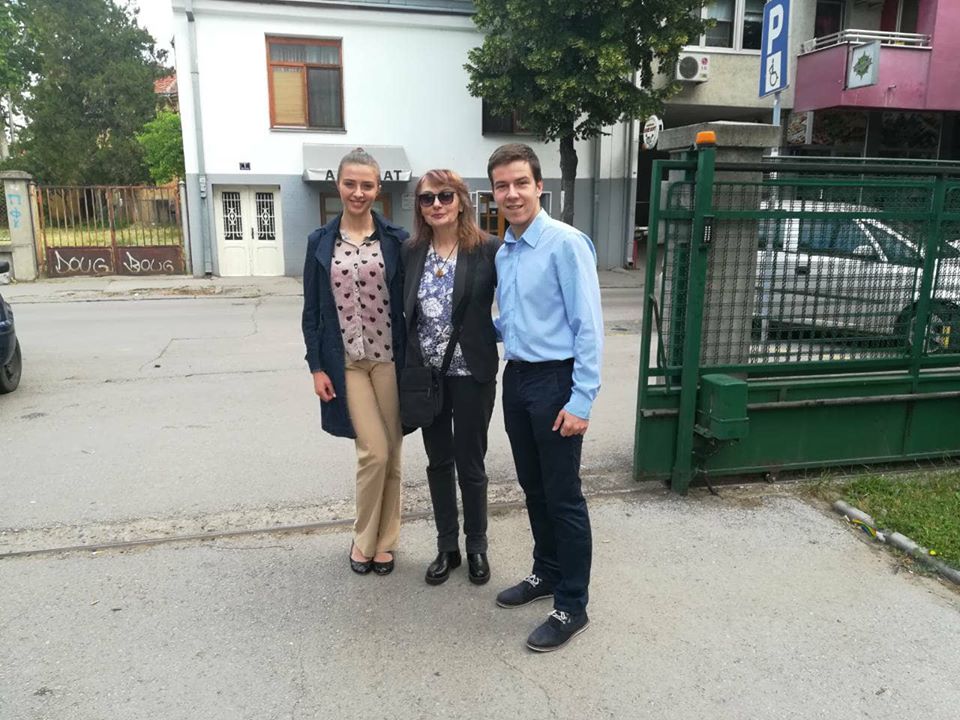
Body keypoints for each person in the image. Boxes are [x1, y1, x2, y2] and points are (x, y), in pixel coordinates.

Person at [487, 143, 603, 652]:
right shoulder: (505, 251)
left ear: (539, 186)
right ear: (493, 193)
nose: (512, 194)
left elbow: (588, 326)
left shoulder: (565, 243)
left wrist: (581, 400)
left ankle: (572, 605)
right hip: (517, 380)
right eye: (502, 186)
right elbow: (516, 319)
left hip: (556, 382)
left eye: (520, 183)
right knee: (533, 488)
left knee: (563, 496)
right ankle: (547, 572)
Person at [301, 148, 408, 576]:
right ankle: (363, 538)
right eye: (350, 184)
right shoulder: (320, 242)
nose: (358, 192)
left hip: (390, 361)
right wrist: (316, 367)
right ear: (338, 185)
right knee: (373, 452)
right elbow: (312, 311)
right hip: (346, 363)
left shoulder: (396, 240)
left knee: (393, 454)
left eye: (366, 185)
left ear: (378, 189)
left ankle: (386, 542)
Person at [400, 169, 500, 586]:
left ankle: (477, 545)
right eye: (427, 198)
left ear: (461, 201)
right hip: (429, 378)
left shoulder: (488, 249)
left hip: (472, 373)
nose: (437, 204)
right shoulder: (411, 252)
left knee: (471, 463)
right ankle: (447, 547)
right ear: (420, 207)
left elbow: (516, 302)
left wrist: (498, 333)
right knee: (439, 462)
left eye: (445, 196)